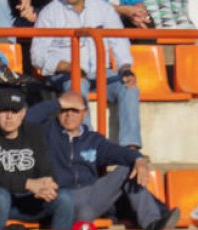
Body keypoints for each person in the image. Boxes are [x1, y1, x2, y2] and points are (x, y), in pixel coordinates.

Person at [26, 91, 178, 230]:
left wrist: (138, 158)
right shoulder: (47, 133)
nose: (69, 115)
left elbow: (118, 152)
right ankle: (155, 225)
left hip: (92, 198)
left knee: (127, 169)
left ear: (84, 113)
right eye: (65, 110)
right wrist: (58, 103)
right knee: (88, 207)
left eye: (75, 111)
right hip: (62, 198)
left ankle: (153, 227)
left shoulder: (93, 140)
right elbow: (25, 121)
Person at [31, 0, 143, 149]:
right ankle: (85, 146)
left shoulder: (104, 8)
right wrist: (67, 66)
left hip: (101, 72)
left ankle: (131, 148)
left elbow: (120, 43)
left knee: (128, 87)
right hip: (64, 74)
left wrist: (125, 68)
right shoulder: (49, 12)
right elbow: (37, 56)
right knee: (78, 84)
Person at [0, 90, 73, 230]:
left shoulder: (34, 132)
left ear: (23, 113)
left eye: (14, 112)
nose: (9, 117)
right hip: (0, 204)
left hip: (30, 200)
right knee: (0, 197)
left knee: (65, 199)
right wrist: (27, 183)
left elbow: (46, 167)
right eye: (4, 111)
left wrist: (48, 184)